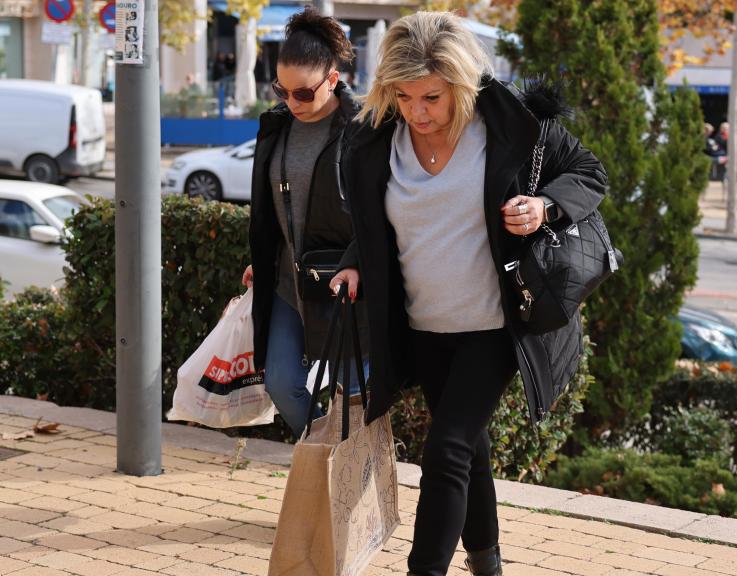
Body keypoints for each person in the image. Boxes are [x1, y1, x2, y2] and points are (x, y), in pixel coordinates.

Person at [330, 12, 607, 576]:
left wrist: (543, 207)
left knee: (447, 449)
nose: (417, 111)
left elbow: (589, 172)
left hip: (496, 325)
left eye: (431, 96)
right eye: (403, 96)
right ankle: (487, 562)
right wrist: (354, 262)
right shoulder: (376, 136)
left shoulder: (512, 126)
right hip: (424, 324)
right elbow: (374, 221)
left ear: (459, 83)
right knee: (468, 447)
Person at [242, 7, 364, 439]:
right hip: (288, 284)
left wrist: (362, 263)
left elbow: (380, 212)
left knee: (354, 398)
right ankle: (328, 462)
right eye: (281, 90)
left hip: (347, 287)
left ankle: (350, 486)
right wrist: (266, 258)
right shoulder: (276, 126)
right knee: (281, 381)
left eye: (304, 94)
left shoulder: (361, 128)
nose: (291, 103)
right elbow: (274, 207)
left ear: (332, 79)